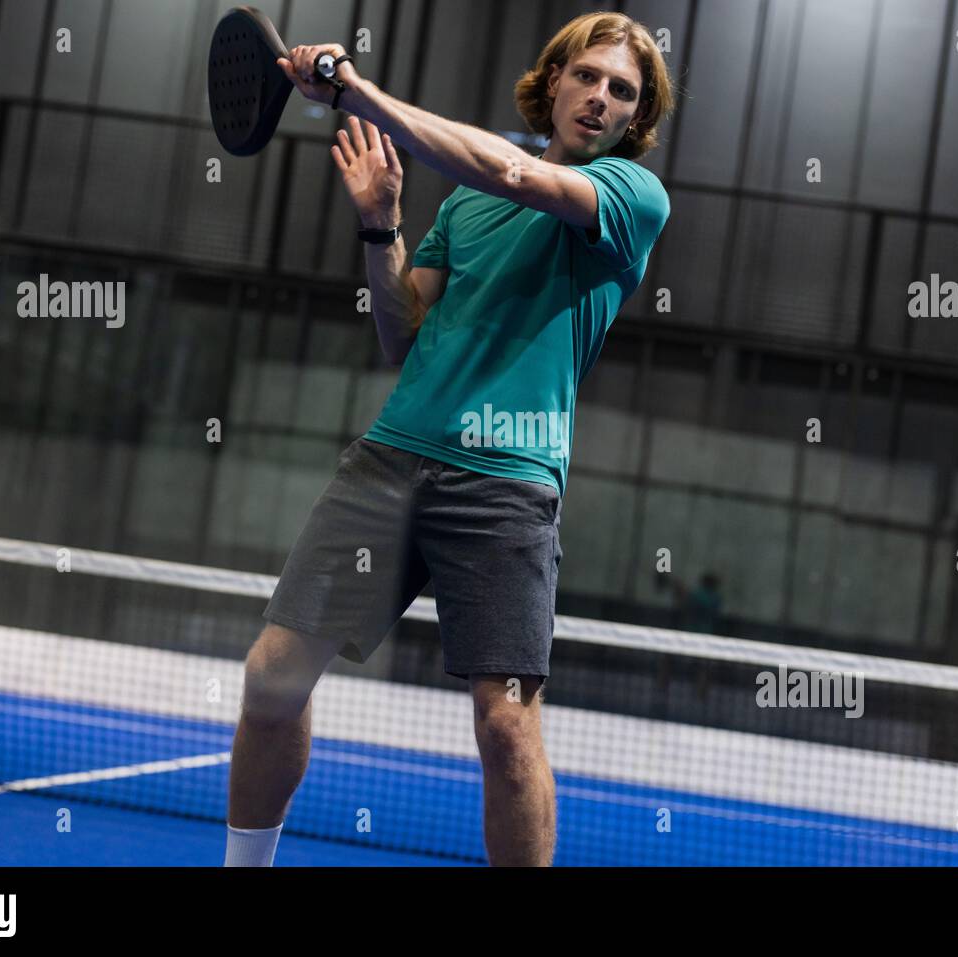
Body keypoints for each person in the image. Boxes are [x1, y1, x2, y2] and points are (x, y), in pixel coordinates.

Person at [224, 11, 674, 867]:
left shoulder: (629, 199)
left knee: (506, 725)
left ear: (632, 120)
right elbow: (404, 336)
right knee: (270, 679)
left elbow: (513, 169)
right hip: (389, 464)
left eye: (624, 91)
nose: (601, 98)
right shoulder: (466, 207)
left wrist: (356, 91)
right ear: (554, 83)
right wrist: (381, 225)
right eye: (587, 76)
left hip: (505, 488)